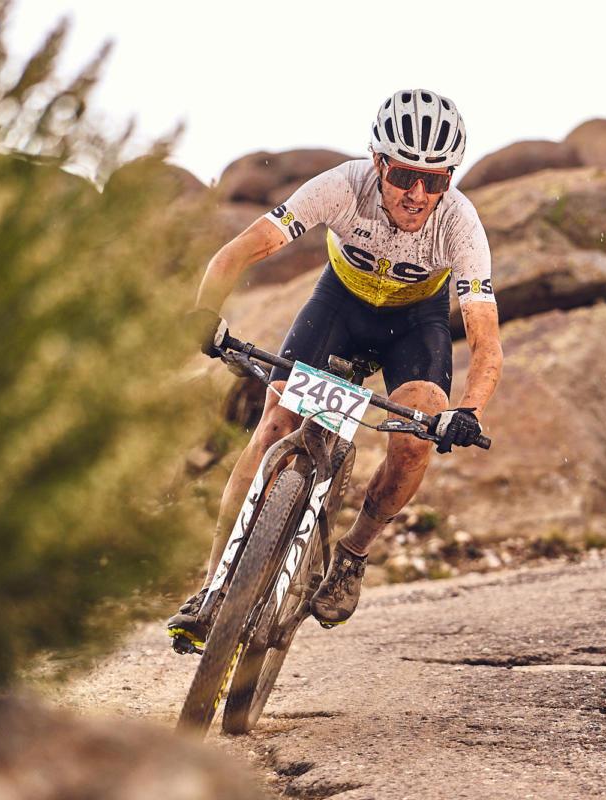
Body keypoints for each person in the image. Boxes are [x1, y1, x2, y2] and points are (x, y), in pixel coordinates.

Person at [170, 89, 502, 644]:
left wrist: (469, 411)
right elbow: (242, 249)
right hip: (339, 308)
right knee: (274, 425)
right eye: (404, 175)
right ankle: (214, 587)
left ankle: (352, 555)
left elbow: (486, 338)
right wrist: (205, 312)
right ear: (378, 162)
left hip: (414, 325)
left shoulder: (461, 224)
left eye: (435, 180)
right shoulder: (342, 186)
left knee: (418, 432)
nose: (418, 194)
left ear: (450, 179)